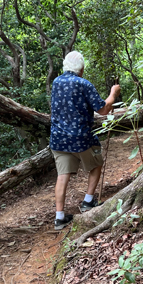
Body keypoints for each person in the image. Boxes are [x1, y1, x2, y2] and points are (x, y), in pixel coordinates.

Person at [50, 51, 121, 230]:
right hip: (81, 137)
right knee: (96, 164)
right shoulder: (84, 84)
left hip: (58, 138)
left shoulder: (56, 82)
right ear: (81, 68)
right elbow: (103, 110)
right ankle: (88, 201)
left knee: (62, 175)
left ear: (65, 66)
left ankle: (59, 217)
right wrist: (113, 94)